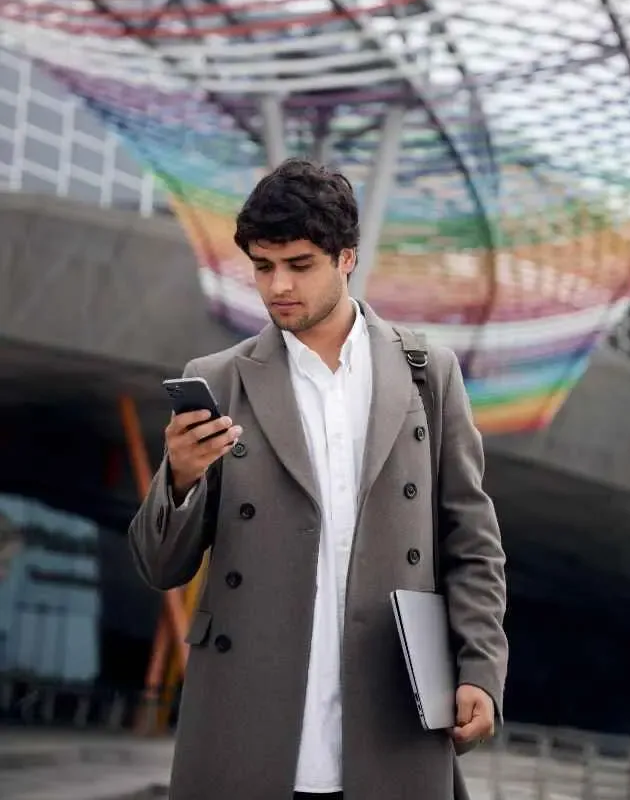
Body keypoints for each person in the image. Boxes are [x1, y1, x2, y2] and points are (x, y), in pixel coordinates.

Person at [129, 158, 507, 800]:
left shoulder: (425, 374)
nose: (278, 286)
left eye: (299, 265)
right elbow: (160, 567)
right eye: (262, 265)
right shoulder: (220, 379)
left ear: (347, 258)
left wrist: (480, 669)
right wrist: (182, 481)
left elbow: (470, 541)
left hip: (390, 709)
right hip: (249, 717)